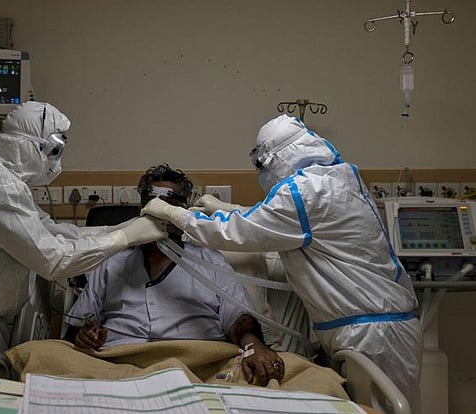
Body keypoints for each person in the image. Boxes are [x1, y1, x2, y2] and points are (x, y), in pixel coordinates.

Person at [141, 115, 423, 412]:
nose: (261, 174)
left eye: (261, 166)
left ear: (275, 158)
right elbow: (282, 221)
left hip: (373, 336)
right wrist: (226, 208)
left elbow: (237, 231)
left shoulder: (304, 192)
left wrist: (173, 214)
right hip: (368, 326)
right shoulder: (334, 180)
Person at [0, 101, 167, 384]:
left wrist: (121, 227)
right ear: (26, 145)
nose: (55, 162)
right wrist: (125, 238)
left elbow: (50, 230)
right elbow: (54, 259)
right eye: (52, 151)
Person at [64, 164, 285, 386]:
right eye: (153, 204)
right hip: (120, 360)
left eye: (168, 206)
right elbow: (79, 325)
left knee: (285, 369)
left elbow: (240, 319)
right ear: (142, 208)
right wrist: (85, 336)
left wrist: (254, 347)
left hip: (196, 363)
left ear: (183, 211)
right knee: (47, 353)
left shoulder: (210, 261)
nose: (160, 214)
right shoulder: (112, 261)